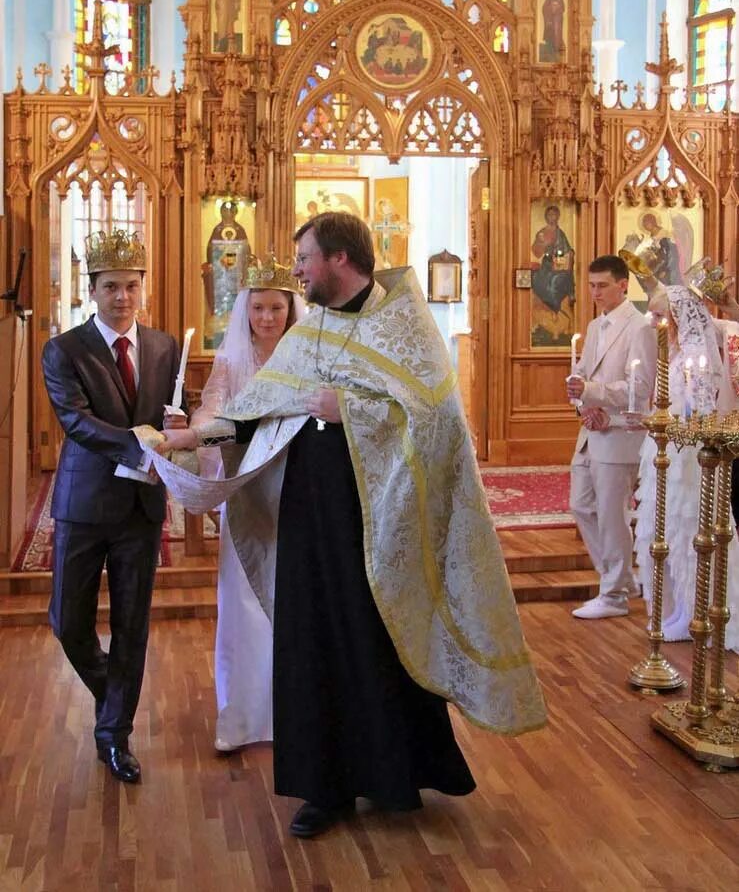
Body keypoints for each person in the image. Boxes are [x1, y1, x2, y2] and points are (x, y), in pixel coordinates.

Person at [159, 212, 546, 839]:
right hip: (312, 520)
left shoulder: (405, 324)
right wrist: (192, 436)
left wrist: (354, 409)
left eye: (305, 259)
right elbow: (260, 408)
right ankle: (325, 788)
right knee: (312, 642)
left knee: (378, 642)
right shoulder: (311, 332)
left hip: (383, 525)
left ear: (339, 258)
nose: (299, 272)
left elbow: (441, 424)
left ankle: (395, 774)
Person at [41, 229, 183, 784]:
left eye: (130, 286)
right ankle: (113, 693)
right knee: (67, 623)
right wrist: (140, 440)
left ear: (142, 289)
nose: (122, 296)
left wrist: (177, 425)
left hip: (141, 507)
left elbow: (178, 409)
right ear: (92, 291)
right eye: (110, 287)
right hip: (84, 502)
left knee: (132, 625)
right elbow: (74, 420)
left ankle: (114, 734)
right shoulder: (65, 349)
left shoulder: (167, 346)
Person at [191, 258, 304, 751]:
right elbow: (215, 414)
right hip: (247, 493)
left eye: (276, 307)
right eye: (258, 307)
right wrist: (195, 432)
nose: (266, 317)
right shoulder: (230, 362)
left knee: (294, 605)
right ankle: (240, 720)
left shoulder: (306, 357)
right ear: (245, 310)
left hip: (297, 492)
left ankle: (294, 715)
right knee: (242, 604)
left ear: (291, 308)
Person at [632, 284, 739, 647]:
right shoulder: (675, 355)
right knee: (667, 531)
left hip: (691, 461)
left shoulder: (698, 356)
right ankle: (678, 606)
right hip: (669, 452)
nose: (654, 322)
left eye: (660, 316)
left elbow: (704, 411)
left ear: (679, 319)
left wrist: (678, 425)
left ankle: (699, 609)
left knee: (690, 531)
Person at [566, 254, 657, 619]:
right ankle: (617, 579)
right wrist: (581, 402)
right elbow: (582, 378)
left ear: (623, 285)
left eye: (602, 285)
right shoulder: (594, 325)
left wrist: (594, 392)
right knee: (581, 505)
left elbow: (640, 386)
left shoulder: (640, 327)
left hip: (620, 434)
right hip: (591, 431)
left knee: (611, 514)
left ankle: (615, 594)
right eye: (591, 285)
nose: (595, 292)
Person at [531, 204, 575, 317]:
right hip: (547, 265)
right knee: (541, 280)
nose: (552, 217)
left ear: (557, 216)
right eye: (549, 215)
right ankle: (550, 308)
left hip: (559, 264)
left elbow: (567, 250)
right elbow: (536, 252)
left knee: (559, 280)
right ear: (546, 217)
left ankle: (568, 296)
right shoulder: (542, 233)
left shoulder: (561, 234)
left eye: (554, 215)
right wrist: (541, 243)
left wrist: (570, 253)